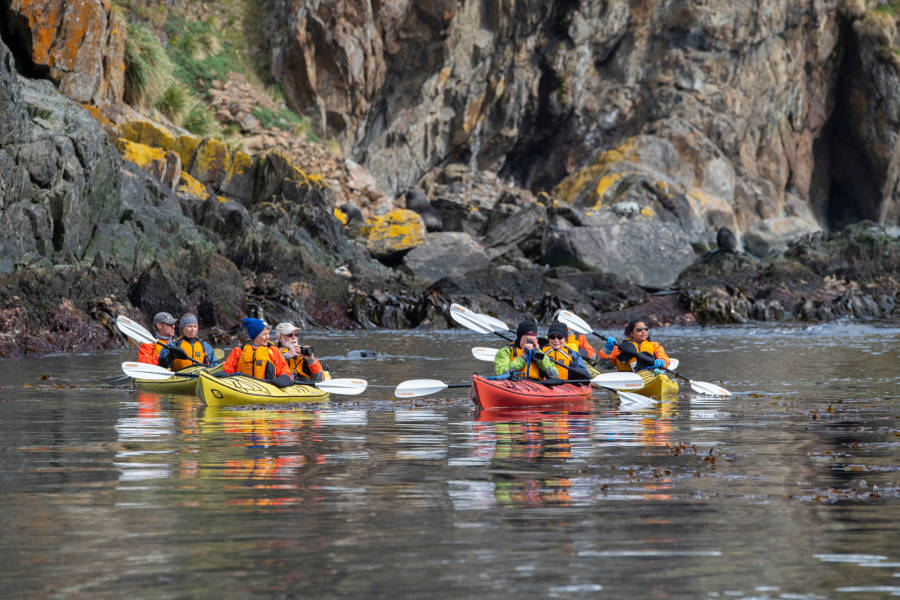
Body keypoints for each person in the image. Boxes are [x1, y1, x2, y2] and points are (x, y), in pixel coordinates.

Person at [222, 318, 293, 384]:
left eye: (268, 333)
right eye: (264, 334)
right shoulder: (238, 351)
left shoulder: (273, 351)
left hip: (267, 388)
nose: (268, 337)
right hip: (243, 387)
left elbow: (285, 373)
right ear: (255, 336)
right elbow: (227, 372)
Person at [493, 320, 558, 380]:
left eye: (533, 340)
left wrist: (539, 356)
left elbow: (554, 375)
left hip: (537, 386)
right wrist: (523, 357)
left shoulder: (542, 352)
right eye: (528, 340)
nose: (530, 343)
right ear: (520, 338)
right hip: (515, 383)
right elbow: (501, 373)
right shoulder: (506, 352)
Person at [598, 319, 670, 373]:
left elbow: (663, 356)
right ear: (631, 333)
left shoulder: (654, 345)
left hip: (650, 374)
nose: (644, 332)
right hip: (628, 378)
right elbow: (604, 365)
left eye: (646, 329)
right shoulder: (620, 348)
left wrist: (663, 361)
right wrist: (607, 350)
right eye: (639, 330)